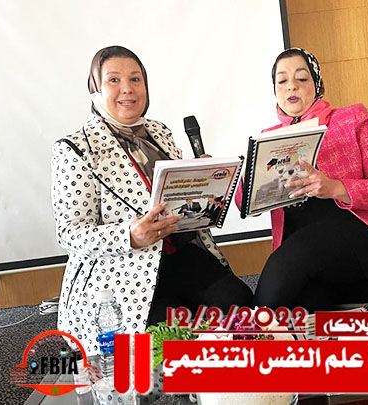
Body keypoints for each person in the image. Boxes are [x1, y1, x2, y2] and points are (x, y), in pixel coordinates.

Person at [51, 46, 252, 356]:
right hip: (122, 271)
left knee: (240, 305)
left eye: (135, 79)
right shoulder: (75, 148)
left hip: (179, 253)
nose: (127, 89)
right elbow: (69, 232)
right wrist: (129, 235)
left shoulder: (159, 132)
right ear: (95, 89)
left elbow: (173, 197)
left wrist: (204, 182)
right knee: (165, 342)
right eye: (114, 80)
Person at [247, 48, 368, 311]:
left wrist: (335, 187)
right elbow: (247, 202)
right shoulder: (268, 138)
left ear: (317, 84)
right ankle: (265, 331)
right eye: (282, 81)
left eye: (301, 78)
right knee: (303, 303)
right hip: (316, 258)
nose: (291, 86)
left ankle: (252, 331)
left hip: (364, 237)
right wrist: (246, 183)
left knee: (299, 251)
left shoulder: (351, 119)